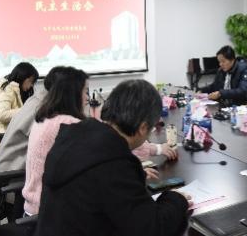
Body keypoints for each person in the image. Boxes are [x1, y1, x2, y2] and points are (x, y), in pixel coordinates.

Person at [35, 80, 191, 236]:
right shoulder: (115, 162)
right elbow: (152, 229)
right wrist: (176, 199)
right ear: (143, 127)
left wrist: (133, 178)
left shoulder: (76, 136)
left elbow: (96, 185)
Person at [22, 67, 88, 215]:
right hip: (49, 212)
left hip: (33, 206)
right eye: (85, 91)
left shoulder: (45, 117)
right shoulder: (68, 123)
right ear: (73, 94)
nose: (87, 97)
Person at [0, 66, 67, 174]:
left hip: (8, 166)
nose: (31, 85)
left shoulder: (35, 100)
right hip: (11, 174)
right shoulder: (41, 108)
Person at [0, 62, 39, 153]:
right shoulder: (7, 90)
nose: (31, 85)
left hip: (6, 133)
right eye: (30, 81)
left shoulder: (17, 90)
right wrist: (26, 110)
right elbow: (1, 115)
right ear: (22, 77)